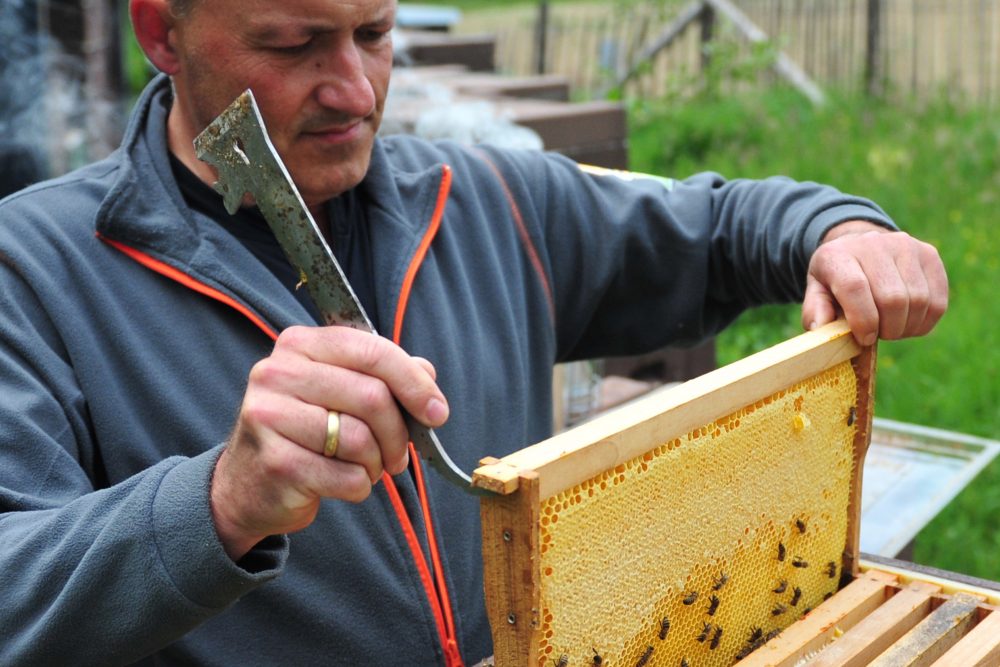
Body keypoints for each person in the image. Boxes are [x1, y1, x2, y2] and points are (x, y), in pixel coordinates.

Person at [0, 0, 947, 664]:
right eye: (292, 45)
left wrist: (841, 229)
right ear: (163, 30)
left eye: (373, 33)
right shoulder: (31, 267)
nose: (356, 90)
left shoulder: (488, 199)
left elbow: (714, 230)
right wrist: (220, 500)